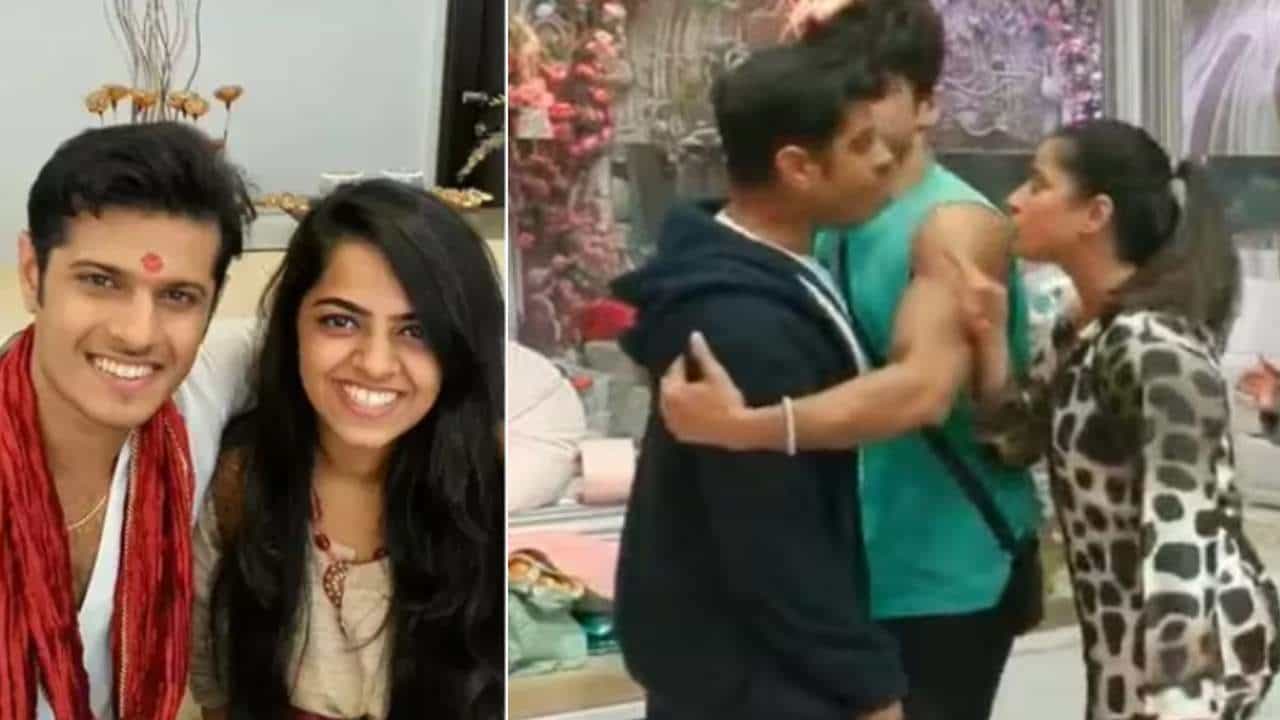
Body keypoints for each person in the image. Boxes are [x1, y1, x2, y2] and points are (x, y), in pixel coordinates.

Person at [658, 3, 1041, 717]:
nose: (853, 99)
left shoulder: (952, 224)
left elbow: (921, 390)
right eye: (841, 80)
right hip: (842, 573)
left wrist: (748, 428)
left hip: (937, 579)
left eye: (876, 87)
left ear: (926, 106)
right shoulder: (831, 211)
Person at [610, 40, 905, 720]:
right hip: (760, 683)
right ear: (797, 166)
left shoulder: (775, 264)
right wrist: (869, 689)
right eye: (862, 145)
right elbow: (774, 539)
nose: (887, 159)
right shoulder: (742, 327)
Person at [957, 119, 1279, 719]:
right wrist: (991, 338)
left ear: (1095, 214)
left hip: (1183, 661)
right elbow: (1012, 441)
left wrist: (1180, 701)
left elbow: (1186, 534)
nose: (1015, 200)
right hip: (1129, 650)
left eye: (1038, 184)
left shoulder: (1151, 347)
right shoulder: (1086, 328)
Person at [189, 180, 505, 719]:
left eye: (416, 331)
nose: (375, 363)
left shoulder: (494, 491)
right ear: (293, 325)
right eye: (340, 321)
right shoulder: (239, 483)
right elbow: (215, 686)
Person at [0, 122, 257, 720]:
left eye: (178, 296)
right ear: (33, 273)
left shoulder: (195, 398)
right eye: (99, 281)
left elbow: (349, 355)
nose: (138, 334)